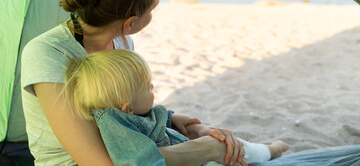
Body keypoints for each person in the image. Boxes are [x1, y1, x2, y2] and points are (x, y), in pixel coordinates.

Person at [21, 0, 246, 166]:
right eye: (152, 10)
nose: (152, 16)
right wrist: (203, 149)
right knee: (215, 151)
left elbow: (123, 108)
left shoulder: (121, 43)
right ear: (130, 22)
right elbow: (97, 162)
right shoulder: (47, 53)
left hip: (127, 148)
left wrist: (180, 122)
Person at [62, 49, 289, 166]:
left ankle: (271, 150)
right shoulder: (114, 122)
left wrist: (172, 118)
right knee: (232, 152)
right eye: (148, 88)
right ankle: (269, 151)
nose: (153, 88)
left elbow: (151, 118)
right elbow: (140, 160)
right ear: (127, 107)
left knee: (237, 147)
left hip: (189, 153)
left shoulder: (129, 112)